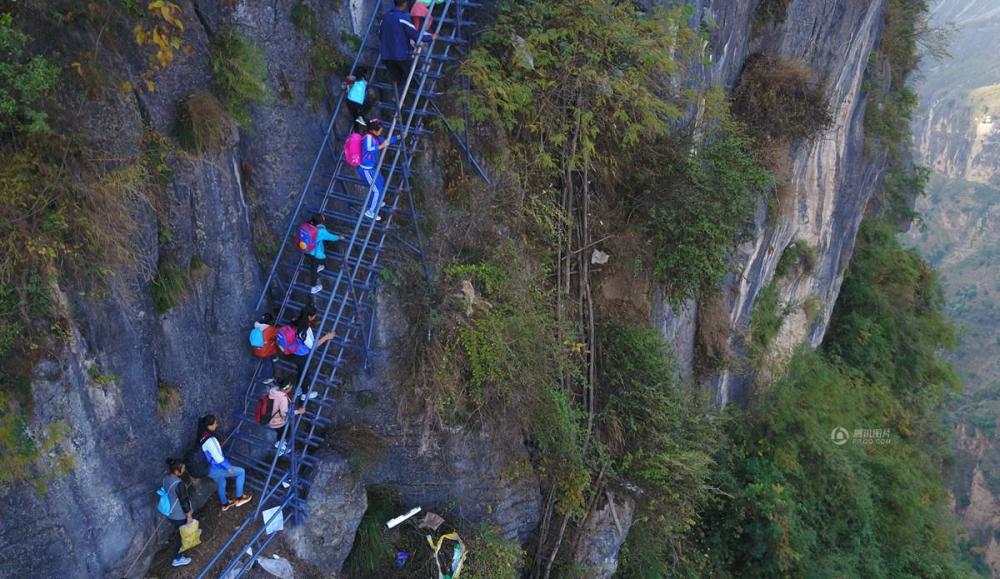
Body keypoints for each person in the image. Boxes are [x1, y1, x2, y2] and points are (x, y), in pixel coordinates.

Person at [380, 0, 437, 92]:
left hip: (386, 55)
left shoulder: (385, 17)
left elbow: (380, 34)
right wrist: (431, 37)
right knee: (411, 77)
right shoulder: (403, 18)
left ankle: (397, 97)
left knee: (397, 80)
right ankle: (414, 97)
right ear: (405, 4)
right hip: (400, 55)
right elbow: (415, 34)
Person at [198, 415, 252, 512]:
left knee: (221, 482)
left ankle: (225, 504)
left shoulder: (202, 436)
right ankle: (239, 498)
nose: (216, 425)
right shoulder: (209, 440)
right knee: (241, 472)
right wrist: (228, 467)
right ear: (209, 426)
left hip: (208, 469)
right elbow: (218, 458)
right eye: (215, 423)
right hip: (215, 468)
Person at [285, 305, 336, 400]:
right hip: (300, 354)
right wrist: (327, 337)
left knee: (301, 370)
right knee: (305, 372)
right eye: (314, 316)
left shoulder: (296, 320)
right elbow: (312, 346)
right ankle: (305, 393)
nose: (315, 317)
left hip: (291, 351)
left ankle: (299, 389)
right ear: (309, 316)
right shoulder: (304, 329)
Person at [359, 118, 398, 221]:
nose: (381, 132)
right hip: (366, 169)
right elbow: (369, 149)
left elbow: (386, 142)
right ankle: (370, 212)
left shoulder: (375, 137)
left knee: (381, 181)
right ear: (373, 130)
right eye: (379, 131)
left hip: (372, 167)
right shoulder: (368, 137)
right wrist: (381, 146)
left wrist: (398, 137)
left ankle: (377, 202)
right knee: (377, 190)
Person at [297, 213, 342, 295]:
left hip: (306, 250)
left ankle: (319, 267)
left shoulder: (308, 225)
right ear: (321, 221)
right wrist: (339, 237)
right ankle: (313, 287)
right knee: (315, 268)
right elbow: (331, 237)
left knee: (315, 264)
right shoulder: (320, 231)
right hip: (316, 254)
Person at [162, 458, 194, 567]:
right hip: (178, 515)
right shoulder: (179, 484)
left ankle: (192, 530)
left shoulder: (166, 478)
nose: (184, 469)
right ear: (176, 471)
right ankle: (177, 558)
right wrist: (188, 516)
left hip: (170, 512)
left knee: (182, 529)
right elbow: (184, 502)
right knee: (183, 535)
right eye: (183, 468)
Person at [267, 380, 305, 456]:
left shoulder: (274, 392)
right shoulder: (283, 398)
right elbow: (285, 413)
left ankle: (281, 444)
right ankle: (281, 446)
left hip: (272, 418)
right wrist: (298, 411)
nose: (291, 387)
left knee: (282, 430)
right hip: (277, 420)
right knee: (286, 429)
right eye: (290, 387)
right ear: (286, 389)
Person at [250, 312, 279, 384]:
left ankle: (274, 357)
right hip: (265, 352)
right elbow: (277, 333)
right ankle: (267, 377)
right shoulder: (269, 329)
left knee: (269, 345)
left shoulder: (256, 326)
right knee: (268, 363)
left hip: (257, 350)